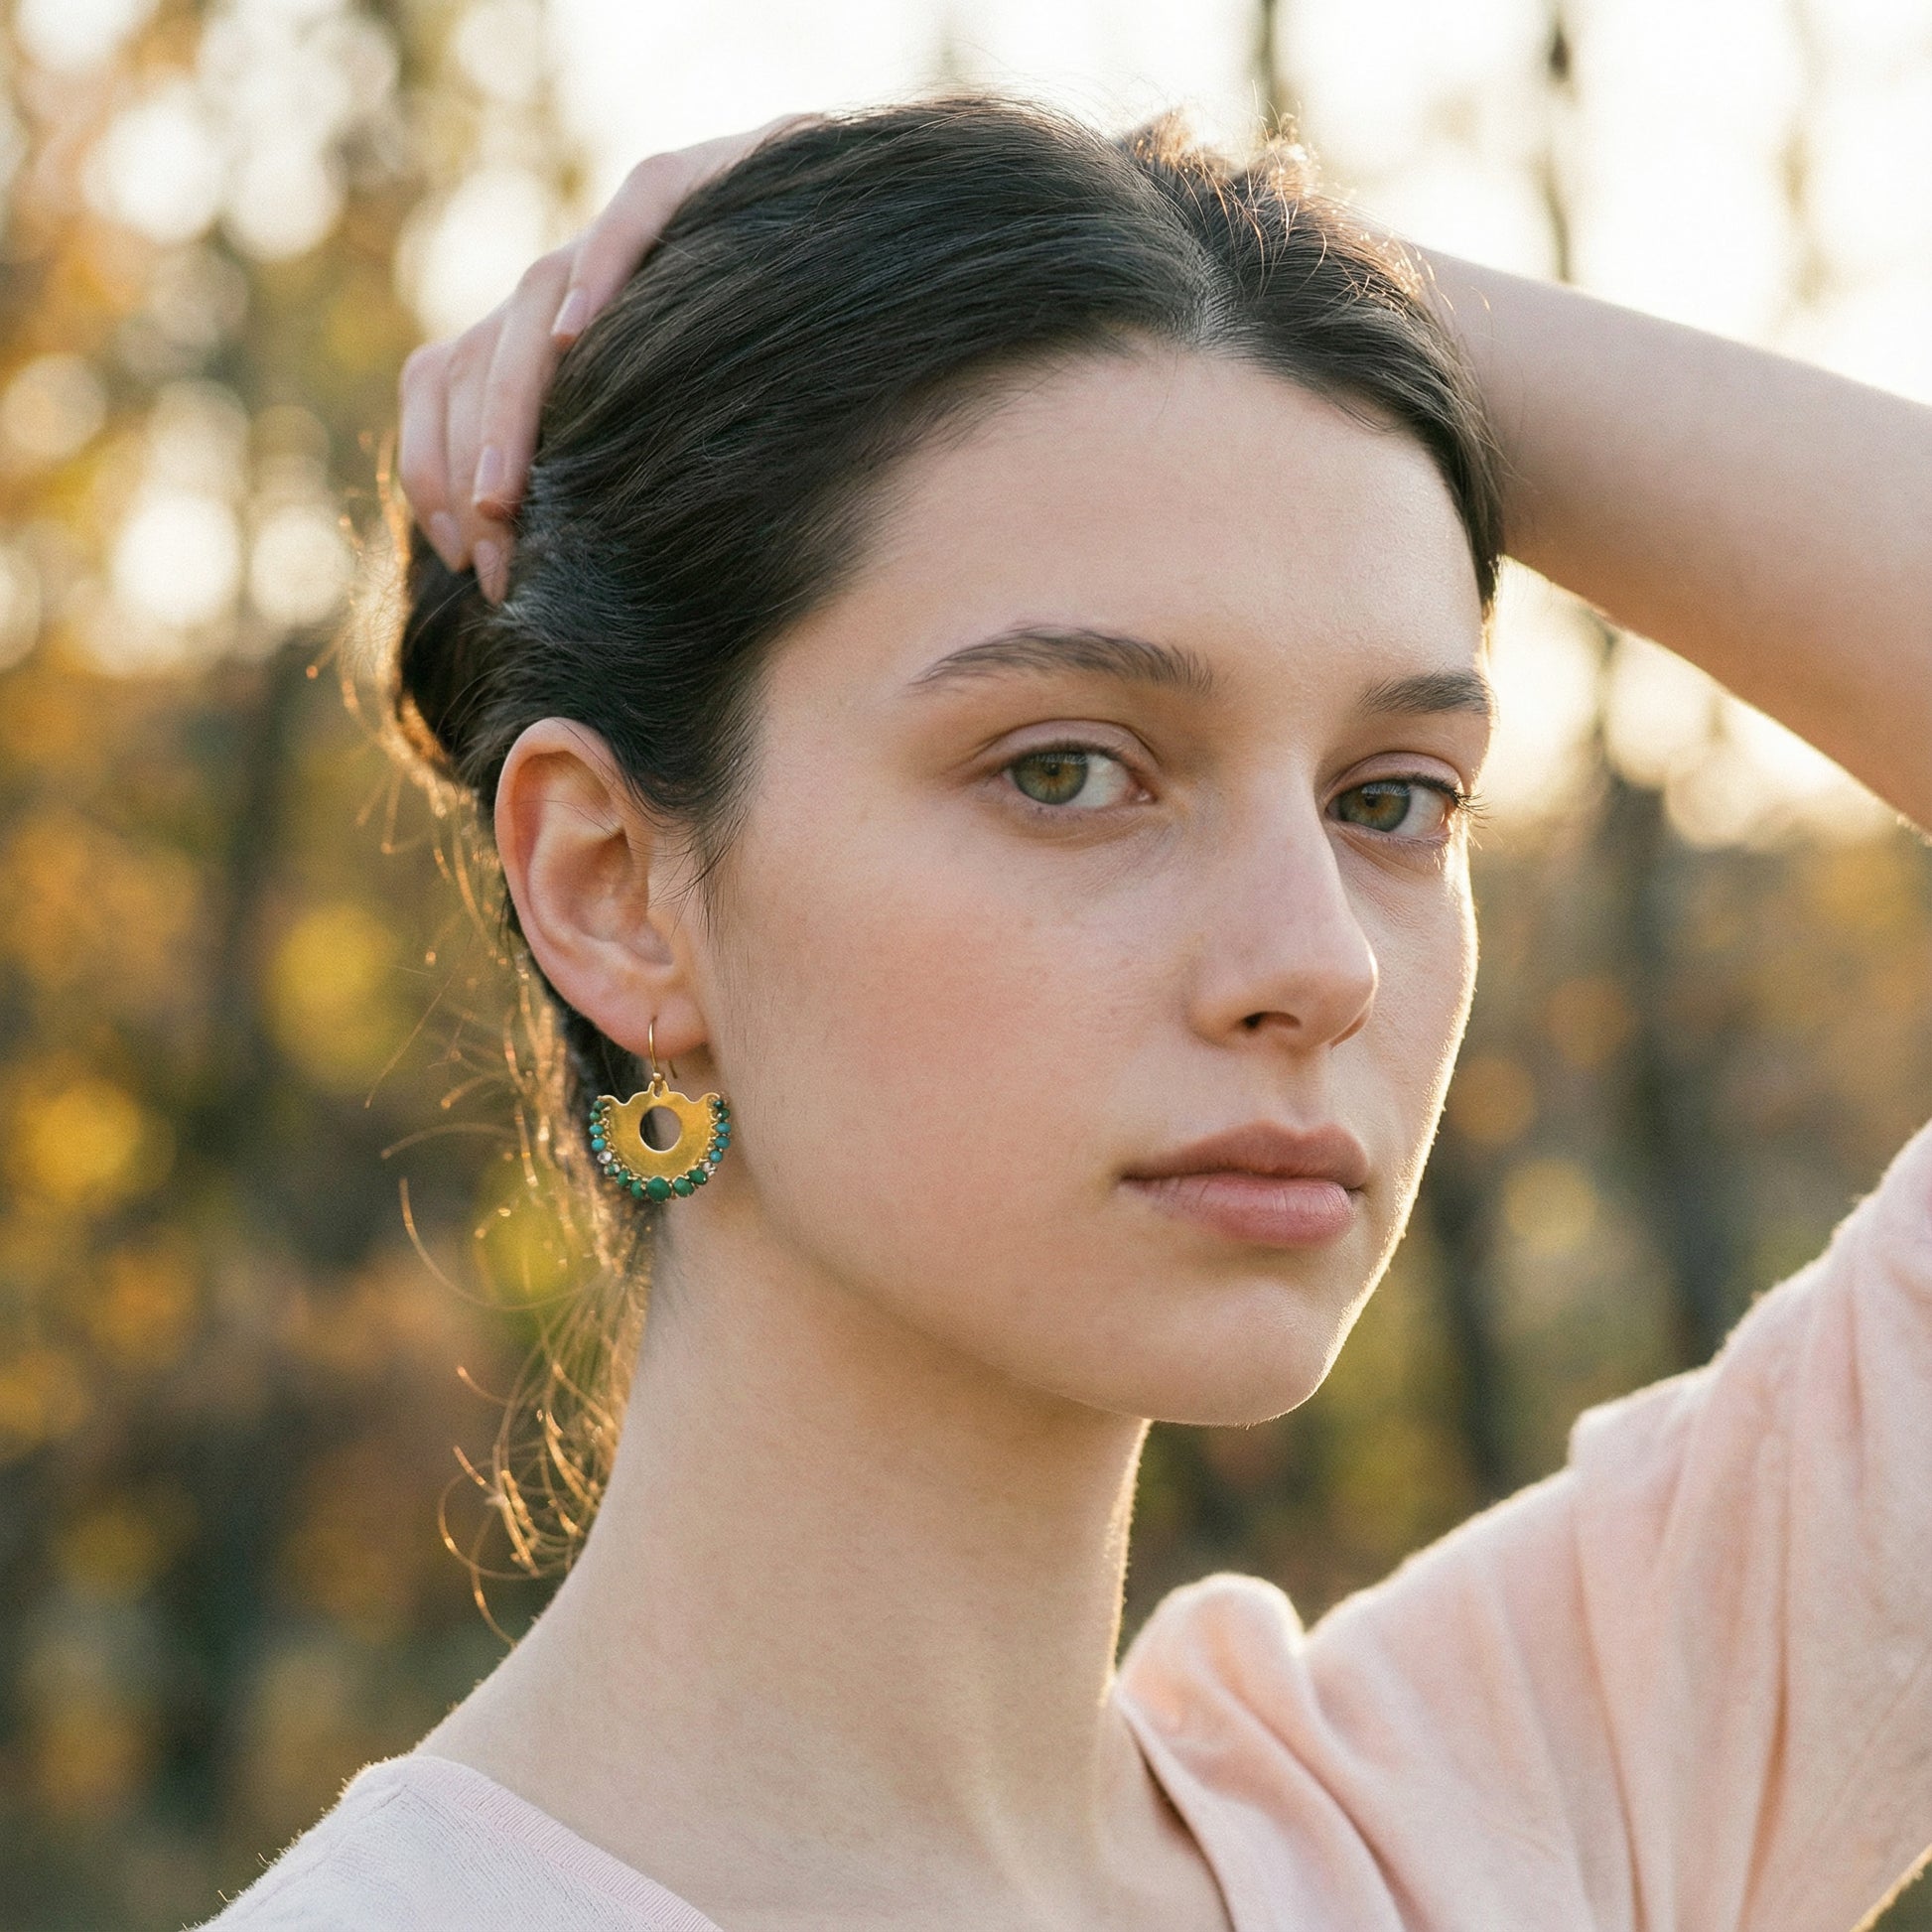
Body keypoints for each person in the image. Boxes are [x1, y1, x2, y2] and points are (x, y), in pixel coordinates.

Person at [200, 101, 1932, 1931]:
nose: (1319, 958)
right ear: (613, 889)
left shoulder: (1477, 1831)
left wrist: (1250, 259)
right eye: (1066, 770)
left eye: (1390, 798)